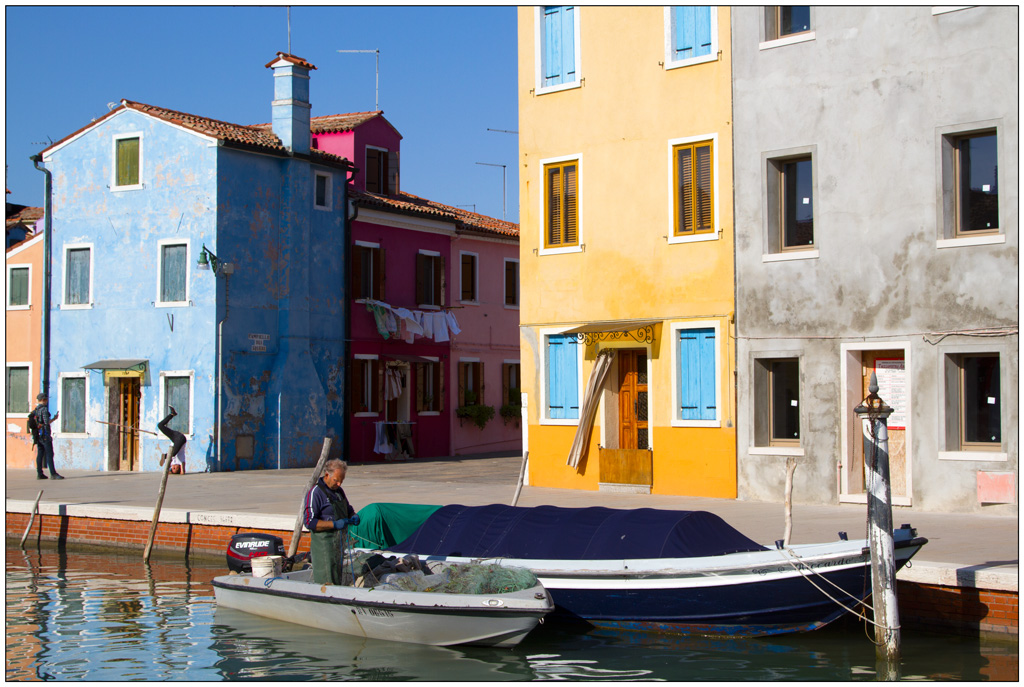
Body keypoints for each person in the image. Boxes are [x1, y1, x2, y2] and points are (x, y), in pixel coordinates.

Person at [302, 459, 360, 585]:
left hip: (338, 545)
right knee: (326, 580)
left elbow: (348, 508)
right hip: (324, 546)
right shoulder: (315, 493)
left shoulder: (339, 491)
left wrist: (353, 515)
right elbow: (309, 522)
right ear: (327, 475)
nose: (339, 484)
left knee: (337, 577)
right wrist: (334, 524)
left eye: (341, 481)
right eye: (336, 480)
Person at [29, 393, 63, 480]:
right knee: (49, 454)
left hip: (38, 435)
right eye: (46, 399)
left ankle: (40, 474)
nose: (47, 401)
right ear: (44, 400)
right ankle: (53, 474)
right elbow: (46, 422)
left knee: (40, 454)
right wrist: (54, 419)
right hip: (45, 435)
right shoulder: (43, 409)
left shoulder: (36, 410)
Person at [157, 406, 187, 474]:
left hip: (174, 437)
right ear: (179, 467)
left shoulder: (171, 461)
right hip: (181, 439)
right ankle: (164, 456)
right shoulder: (181, 460)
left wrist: (168, 470)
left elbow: (168, 469)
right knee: (173, 453)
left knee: (160, 425)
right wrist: (182, 470)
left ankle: (172, 414)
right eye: (175, 468)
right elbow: (183, 472)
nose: (173, 467)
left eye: (172, 468)